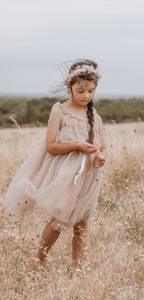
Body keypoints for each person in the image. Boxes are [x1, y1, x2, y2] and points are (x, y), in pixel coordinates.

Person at [5, 59, 107, 277]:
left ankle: (76, 268)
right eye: (80, 91)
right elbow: (51, 146)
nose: (85, 96)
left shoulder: (95, 117)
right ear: (69, 86)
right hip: (66, 175)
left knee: (82, 222)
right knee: (60, 219)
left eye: (90, 91)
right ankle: (39, 263)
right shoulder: (59, 111)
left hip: (89, 176)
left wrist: (100, 158)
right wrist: (78, 146)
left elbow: (103, 148)